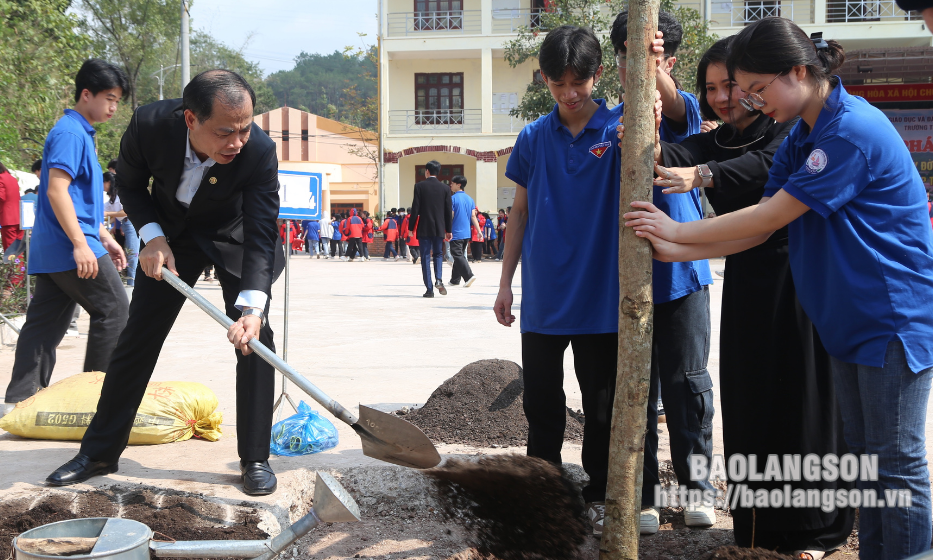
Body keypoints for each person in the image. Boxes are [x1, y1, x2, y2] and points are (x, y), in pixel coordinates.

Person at [623, 18, 933, 558]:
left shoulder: (848, 132)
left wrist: (678, 232)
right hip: (847, 320)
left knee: (896, 460)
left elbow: (778, 210)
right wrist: (675, 247)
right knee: (864, 453)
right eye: (746, 93)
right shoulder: (804, 134)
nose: (752, 102)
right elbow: (762, 223)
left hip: (891, 318)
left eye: (759, 90)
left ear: (799, 71)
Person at [45, 69, 286, 497]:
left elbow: (263, 231)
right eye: (225, 132)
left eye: (245, 129)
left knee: (256, 341)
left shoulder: (259, 151)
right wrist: (152, 236)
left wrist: (252, 308)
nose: (237, 142)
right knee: (137, 338)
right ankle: (99, 451)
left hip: (234, 239)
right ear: (190, 119)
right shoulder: (149, 125)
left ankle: (254, 458)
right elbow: (132, 187)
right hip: (168, 236)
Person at [494, 25, 630, 540]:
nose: (570, 94)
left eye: (579, 82)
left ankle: (598, 492)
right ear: (545, 82)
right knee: (542, 405)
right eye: (558, 85)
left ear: (597, 75)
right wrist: (505, 282)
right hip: (545, 296)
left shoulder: (621, 129)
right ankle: (544, 490)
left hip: (601, 294)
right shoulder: (532, 137)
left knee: (600, 405)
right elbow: (520, 212)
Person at [610, 9, 716, 535]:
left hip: (684, 278)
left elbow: (673, 106)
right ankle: (645, 494)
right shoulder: (611, 123)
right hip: (627, 282)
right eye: (627, 59)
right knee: (637, 390)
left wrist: (656, 72)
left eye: (649, 58)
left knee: (688, 387)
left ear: (668, 61)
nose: (637, 70)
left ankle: (698, 488)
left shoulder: (682, 110)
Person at [2, 59, 130, 415]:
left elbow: (77, 199)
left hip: (61, 245)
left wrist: (104, 236)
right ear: (85, 94)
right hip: (69, 245)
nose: (113, 107)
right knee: (114, 310)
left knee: (46, 321)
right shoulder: (71, 134)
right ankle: (96, 399)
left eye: (117, 100)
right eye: (108, 98)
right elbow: (56, 191)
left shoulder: (79, 132)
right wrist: (80, 243)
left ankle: (20, 399)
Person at [409, 160, 452, 297]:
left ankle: (429, 289)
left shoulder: (419, 186)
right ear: (438, 172)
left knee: (426, 256)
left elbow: (415, 208)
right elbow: (448, 211)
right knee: (438, 254)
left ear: (427, 171)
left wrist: (411, 227)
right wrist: (448, 230)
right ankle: (438, 279)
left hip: (424, 227)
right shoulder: (445, 188)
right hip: (439, 227)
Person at [103, 172, 139, 286]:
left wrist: (109, 214)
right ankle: (128, 281)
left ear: (108, 182)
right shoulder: (111, 199)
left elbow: (126, 211)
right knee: (127, 254)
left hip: (131, 224)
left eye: (102, 182)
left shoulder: (120, 195)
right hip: (124, 224)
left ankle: (131, 283)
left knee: (132, 254)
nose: (101, 185)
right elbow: (112, 215)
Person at [448, 175, 480, 287]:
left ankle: (469, 276)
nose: (450, 185)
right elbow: (473, 216)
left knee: (457, 255)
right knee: (459, 255)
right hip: (466, 233)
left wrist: (446, 229)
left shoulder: (452, 199)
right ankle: (455, 280)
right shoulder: (470, 199)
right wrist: (479, 230)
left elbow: (450, 216)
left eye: (452, 183)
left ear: (459, 185)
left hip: (456, 232)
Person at [0, 160, 25, 250]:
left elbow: (1, 197)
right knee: (18, 249)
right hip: (19, 218)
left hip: (8, 219)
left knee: (10, 250)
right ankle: (20, 264)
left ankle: (14, 264)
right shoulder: (12, 178)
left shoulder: (0, 178)